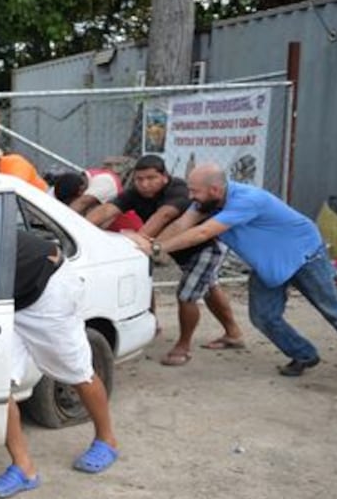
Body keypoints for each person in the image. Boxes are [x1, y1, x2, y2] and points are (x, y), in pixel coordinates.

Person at [128, 164, 337, 377]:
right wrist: (150, 244)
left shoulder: (247, 200)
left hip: (305, 255)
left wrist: (158, 248)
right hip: (269, 262)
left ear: (215, 190)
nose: (190, 196)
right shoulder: (206, 202)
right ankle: (304, 354)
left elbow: (202, 232)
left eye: (195, 191)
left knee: (334, 311)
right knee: (263, 316)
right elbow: (182, 224)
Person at [0, 230, 120, 498]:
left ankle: (107, 440)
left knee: (77, 371)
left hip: (46, 292)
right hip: (4, 299)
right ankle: (24, 469)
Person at [90, 154, 243, 365]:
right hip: (175, 248)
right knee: (208, 286)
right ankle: (233, 333)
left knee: (186, 295)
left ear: (164, 177)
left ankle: (183, 346)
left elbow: (164, 216)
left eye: (151, 178)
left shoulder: (178, 189)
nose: (144, 184)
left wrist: (140, 243)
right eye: (139, 179)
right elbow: (108, 209)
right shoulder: (134, 192)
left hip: (206, 246)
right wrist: (80, 228)